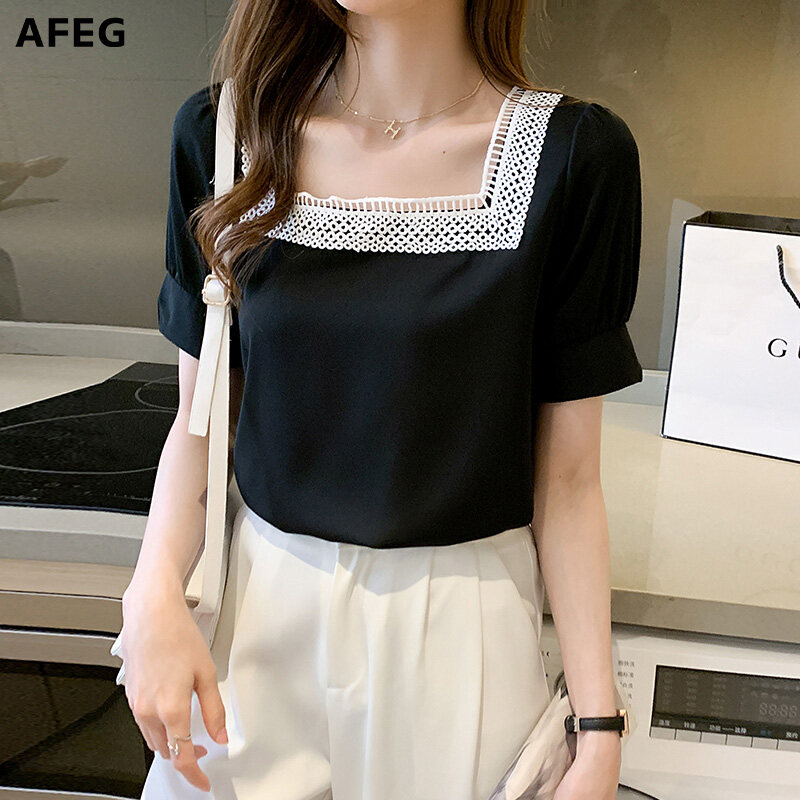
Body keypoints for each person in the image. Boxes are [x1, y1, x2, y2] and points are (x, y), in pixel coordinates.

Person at [117, 1, 644, 798]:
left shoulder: (575, 157)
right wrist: (153, 589)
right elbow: (199, 426)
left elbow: (567, 481)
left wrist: (598, 729)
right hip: (257, 624)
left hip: (462, 635)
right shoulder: (223, 137)